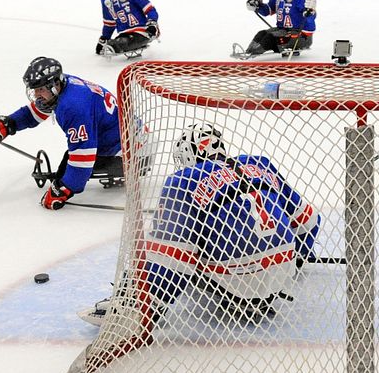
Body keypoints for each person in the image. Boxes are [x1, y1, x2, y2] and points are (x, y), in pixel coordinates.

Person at [137, 123, 320, 323]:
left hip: (235, 274)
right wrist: (300, 257)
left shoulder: (183, 179)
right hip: (282, 267)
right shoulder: (261, 163)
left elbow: (173, 254)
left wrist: (151, 300)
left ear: (188, 154)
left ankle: (147, 301)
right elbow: (309, 218)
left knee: (167, 240)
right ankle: (265, 287)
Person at [0, 57, 125, 210]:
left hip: (131, 155)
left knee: (70, 161)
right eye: (34, 90)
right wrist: (4, 125)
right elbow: (33, 114)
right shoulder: (62, 86)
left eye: (40, 89)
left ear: (54, 85)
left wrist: (63, 190)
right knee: (68, 163)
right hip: (126, 140)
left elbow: (82, 162)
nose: (35, 95)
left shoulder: (73, 106)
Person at [234, 0, 316, 59]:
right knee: (261, 34)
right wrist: (258, 6)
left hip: (300, 35)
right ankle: (248, 52)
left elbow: (310, 17)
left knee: (270, 38)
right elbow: (269, 10)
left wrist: (311, 10)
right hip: (283, 30)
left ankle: (251, 55)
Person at [96, 0, 160, 59]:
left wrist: (152, 23)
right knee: (111, 45)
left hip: (142, 32)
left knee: (117, 45)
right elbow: (109, 23)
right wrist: (104, 38)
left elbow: (149, 8)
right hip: (124, 34)